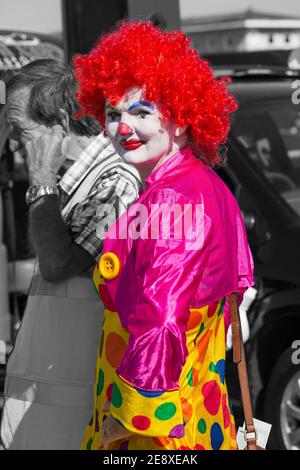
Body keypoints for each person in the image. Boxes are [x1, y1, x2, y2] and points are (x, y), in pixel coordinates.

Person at [74, 21, 254, 450]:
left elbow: (160, 315)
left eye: (141, 113)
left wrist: (128, 424)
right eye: (114, 113)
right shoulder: (204, 185)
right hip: (198, 419)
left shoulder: (174, 199)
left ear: (180, 116)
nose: (122, 128)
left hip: (159, 434)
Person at [1, 59, 141, 450]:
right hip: (45, 412)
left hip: (75, 414)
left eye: (19, 129)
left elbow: (58, 263)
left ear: (60, 121)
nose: (12, 142)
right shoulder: (74, 180)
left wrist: (42, 184)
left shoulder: (115, 181)